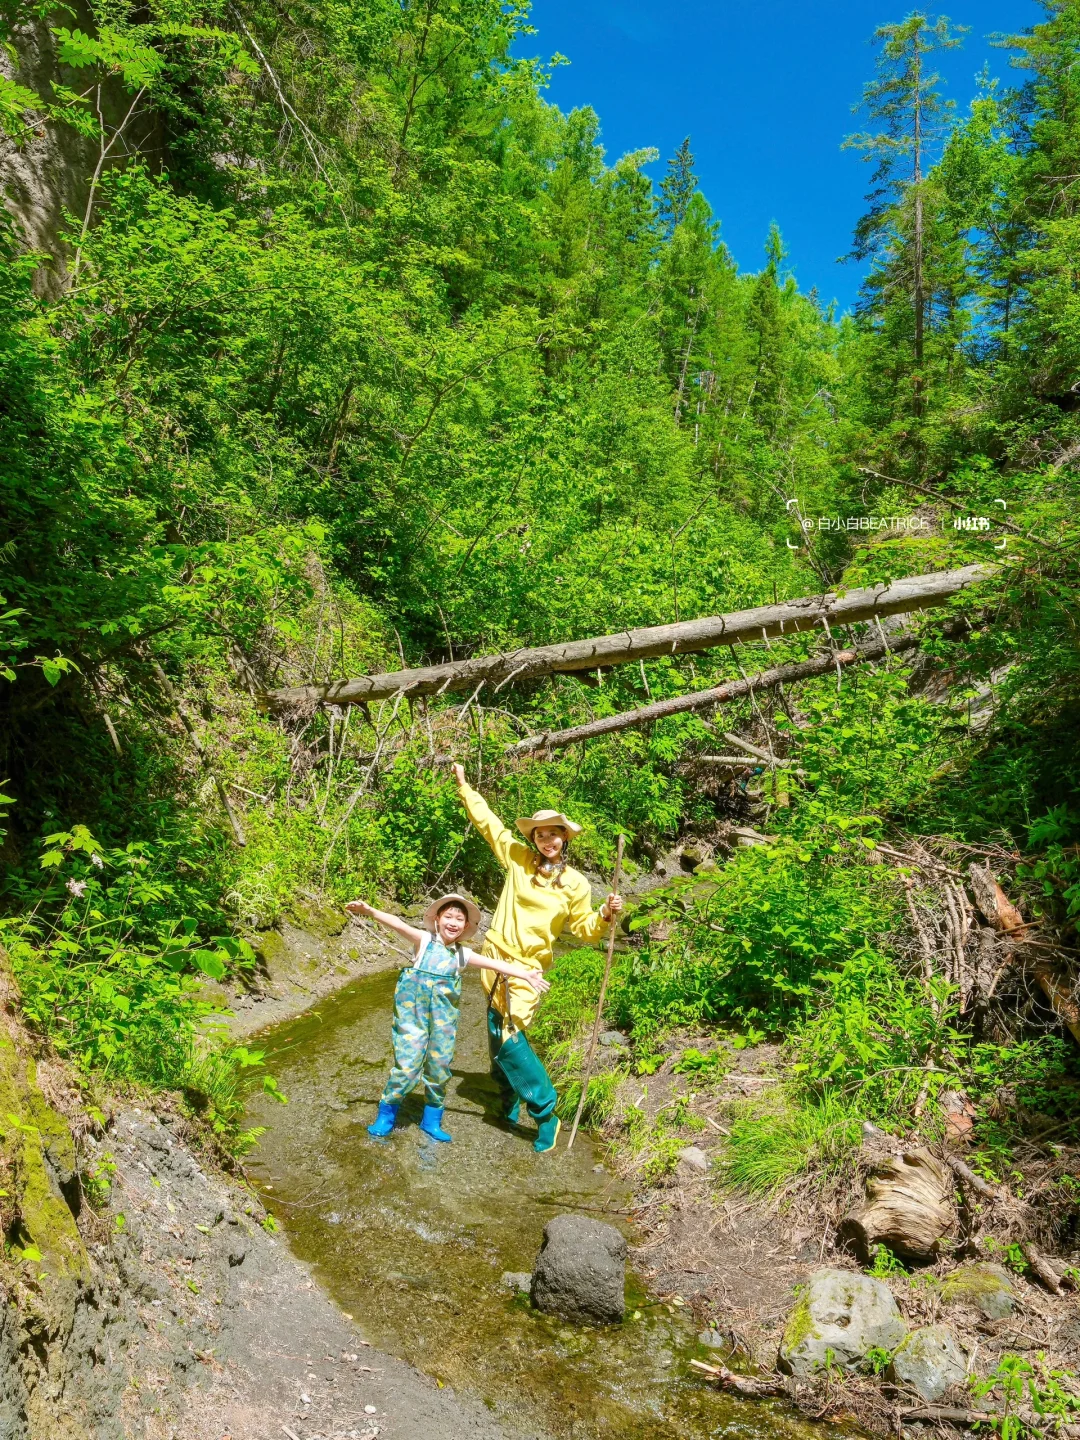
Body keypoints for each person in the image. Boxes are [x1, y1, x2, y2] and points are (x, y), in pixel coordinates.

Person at [451, 763, 624, 1154]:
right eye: (541, 834)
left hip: (527, 970)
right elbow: (490, 825)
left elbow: (583, 929)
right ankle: (507, 1098)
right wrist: (465, 788)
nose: (548, 840)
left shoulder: (576, 883)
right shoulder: (518, 859)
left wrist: (608, 914)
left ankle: (546, 1112)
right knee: (496, 1029)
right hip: (495, 959)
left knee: (509, 1036)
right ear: (534, 837)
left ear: (565, 838)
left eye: (555, 834)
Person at [346, 892, 549, 1143]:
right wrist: (371, 911)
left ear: (465, 926)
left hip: (444, 1022)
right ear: (437, 919)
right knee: (407, 1066)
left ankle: (431, 1120)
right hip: (412, 1019)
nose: (453, 922)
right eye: (448, 916)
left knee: (439, 1066)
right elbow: (398, 924)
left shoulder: (462, 955)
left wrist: (526, 974)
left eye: (459, 919)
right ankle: (386, 1114)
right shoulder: (423, 941)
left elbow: (496, 965)